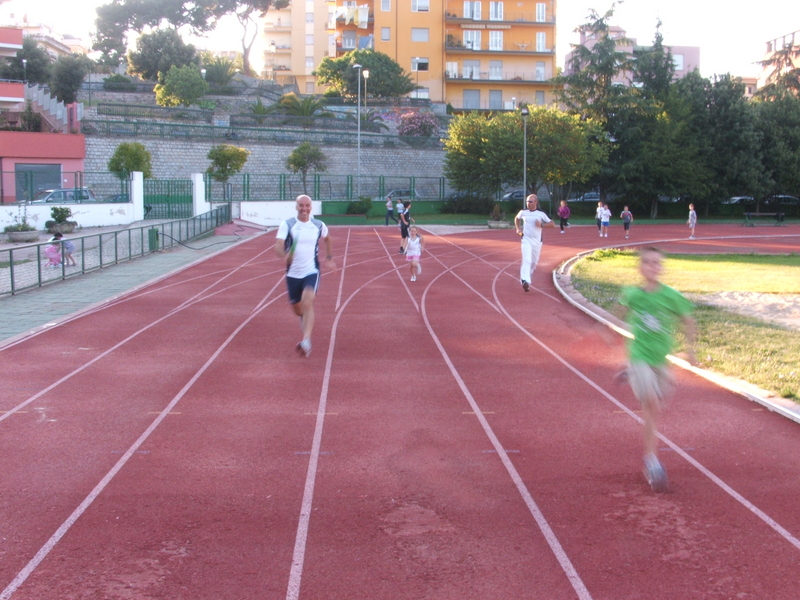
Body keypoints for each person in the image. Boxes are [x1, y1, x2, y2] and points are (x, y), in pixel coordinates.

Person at [618, 247, 696, 492]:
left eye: (656, 263)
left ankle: (633, 375)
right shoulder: (632, 294)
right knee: (650, 403)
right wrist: (603, 333)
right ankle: (652, 460)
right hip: (639, 356)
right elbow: (618, 313)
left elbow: (689, 321)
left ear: (661, 268)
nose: (652, 266)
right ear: (640, 268)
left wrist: (691, 349)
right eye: (648, 262)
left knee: (656, 406)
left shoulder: (671, 296)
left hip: (660, 360)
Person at [275, 195, 336, 358]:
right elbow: (278, 247)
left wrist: (329, 258)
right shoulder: (287, 225)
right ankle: (304, 321)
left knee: (308, 301)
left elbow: (328, 239)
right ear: (296, 207)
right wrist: (285, 255)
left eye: (307, 205)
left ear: (311, 207)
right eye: (301, 205)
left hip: (311, 271)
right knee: (298, 310)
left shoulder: (318, 225)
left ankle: (306, 340)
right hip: (293, 274)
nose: (304, 208)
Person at [514, 194, 554, 292]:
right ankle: (525, 280)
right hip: (526, 239)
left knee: (533, 262)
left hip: (537, 242)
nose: (528, 203)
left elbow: (552, 224)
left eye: (530, 201)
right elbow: (517, 219)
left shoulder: (541, 213)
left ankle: (527, 277)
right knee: (527, 260)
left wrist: (541, 224)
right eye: (527, 201)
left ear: (536, 202)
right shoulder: (523, 212)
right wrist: (518, 229)